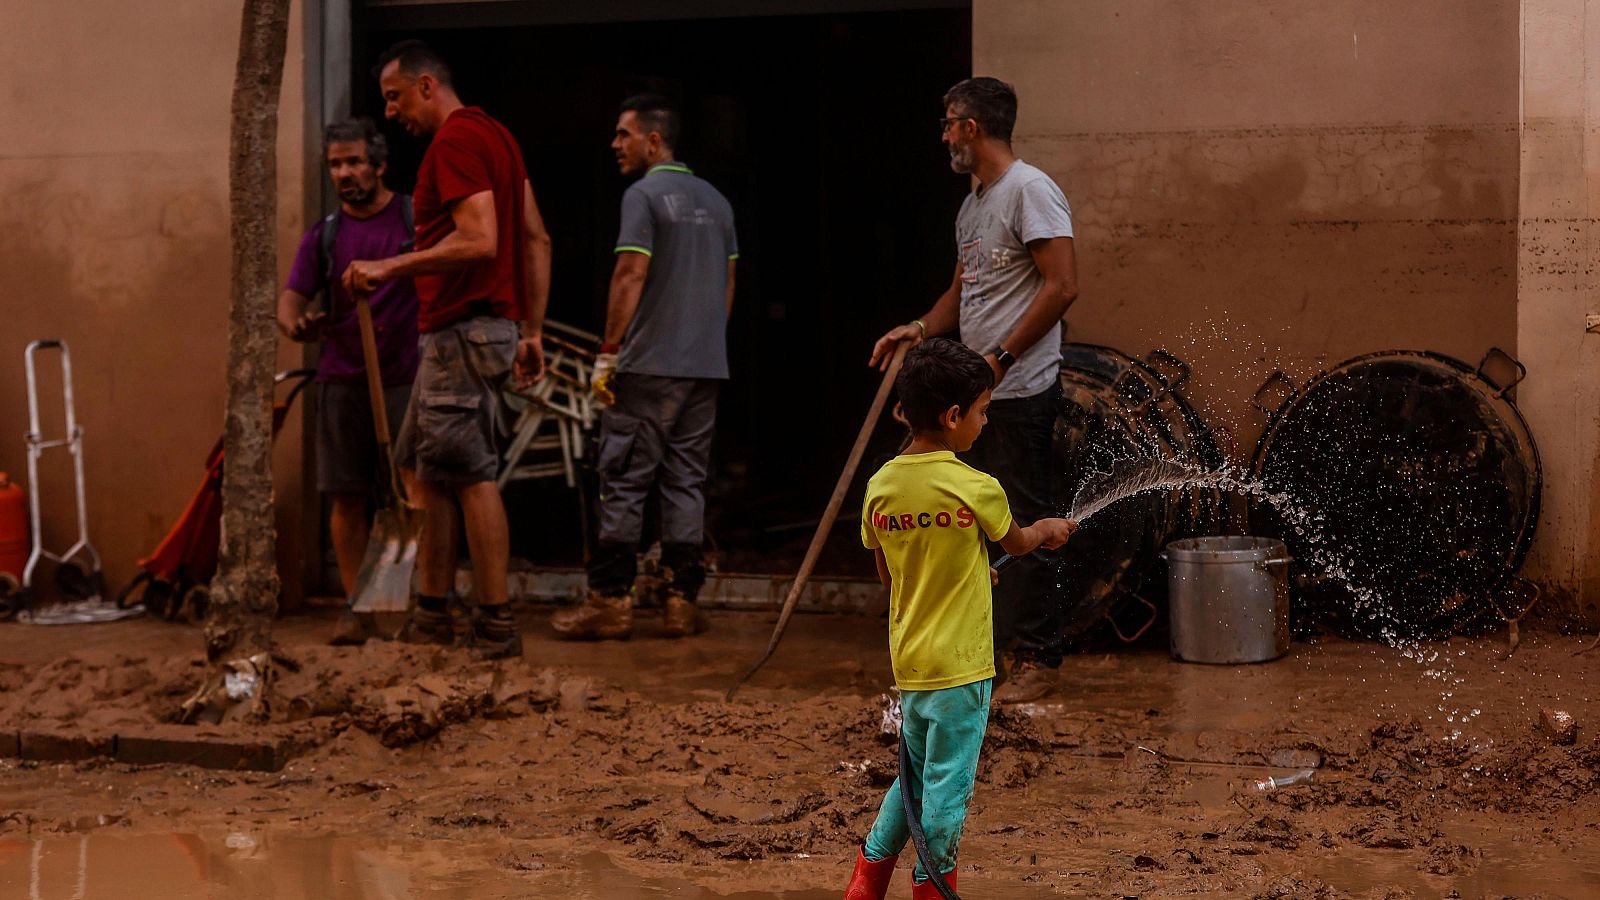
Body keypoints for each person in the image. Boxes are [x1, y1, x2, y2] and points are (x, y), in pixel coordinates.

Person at [869, 76, 1079, 704]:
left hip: (1017, 390)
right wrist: (917, 327)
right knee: (975, 523)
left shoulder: (1030, 190)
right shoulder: (974, 205)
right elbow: (961, 295)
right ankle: (989, 652)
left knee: (1020, 518)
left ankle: (1037, 657)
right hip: (978, 393)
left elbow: (1063, 285)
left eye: (948, 123)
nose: (943, 137)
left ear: (971, 127)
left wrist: (1000, 360)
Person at [844, 339, 1076, 899]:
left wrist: (966, 573)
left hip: (912, 665)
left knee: (912, 782)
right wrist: (1048, 529)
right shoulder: (977, 487)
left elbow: (893, 574)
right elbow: (1018, 543)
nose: (985, 421)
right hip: (962, 670)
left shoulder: (881, 486)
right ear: (953, 416)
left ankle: (864, 887)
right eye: (983, 411)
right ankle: (933, 889)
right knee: (946, 795)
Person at [344, 40, 552, 660]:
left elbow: (481, 239)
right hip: (485, 329)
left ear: (427, 86)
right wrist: (531, 330)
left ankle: (495, 622)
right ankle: (432, 611)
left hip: (460, 331)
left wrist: (388, 266)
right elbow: (536, 239)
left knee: (468, 473)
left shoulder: (455, 143)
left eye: (394, 97)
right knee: (418, 465)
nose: (390, 112)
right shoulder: (499, 138)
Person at [551, 94, 738, 642]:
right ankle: (681, 603)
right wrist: (705, 344)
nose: (615, 144)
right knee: (685, 481)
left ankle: (610, 601)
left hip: (649, 367)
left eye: (623, 134)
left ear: (654, 141)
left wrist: (609, 351)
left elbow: (630, 272)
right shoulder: (718, 202)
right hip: (705, 368)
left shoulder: (643, 195)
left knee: (623, 479)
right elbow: (728, 284)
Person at [276, 118, 419, 646]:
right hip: (342, 380)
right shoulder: (326, 235)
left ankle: (412, 602)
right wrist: (295, 323)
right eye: (335, 164)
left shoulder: (411, 219)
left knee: (412, 494)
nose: (344, 173)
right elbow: (291, 299)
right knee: (346, 495)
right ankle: (357, 607)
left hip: (406, 376)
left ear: (379, 165)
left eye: (355, 161)